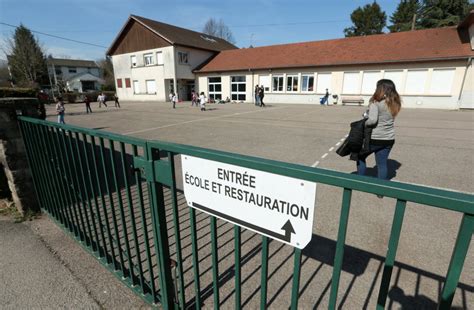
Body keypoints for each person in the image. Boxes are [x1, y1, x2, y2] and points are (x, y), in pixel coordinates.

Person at [357, 79, 401, 183]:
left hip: (376, 138)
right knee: (382, 164)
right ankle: (381, 189)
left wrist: (365, 122)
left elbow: (372, 120)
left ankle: (360, 181)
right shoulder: (395, 103)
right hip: (389, 138)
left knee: (360, 156)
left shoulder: (375, 103)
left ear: (380, 89)